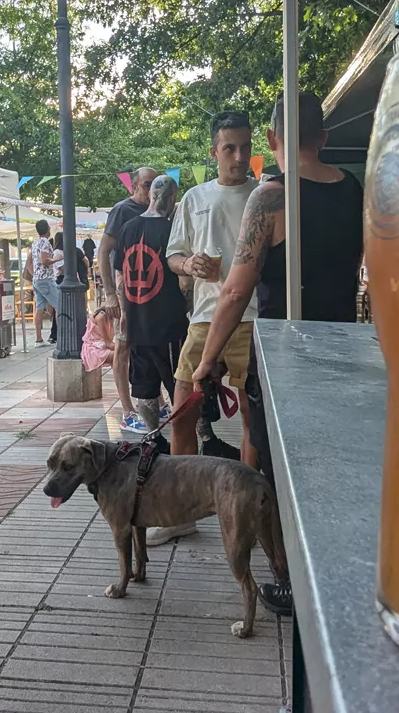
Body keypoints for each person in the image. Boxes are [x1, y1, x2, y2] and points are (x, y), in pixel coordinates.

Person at [193, 91, 363, 616]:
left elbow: (235, 291)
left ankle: (291, 581)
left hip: (285, 356)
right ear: (326, 138)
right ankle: (336, 566)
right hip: (342, 347)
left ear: (271, 141)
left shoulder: (269, 198)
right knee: (332, 467)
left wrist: (206, 361)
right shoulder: (353, 188)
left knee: (280, 473)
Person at [157, 111, 261, 546]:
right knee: (182, 413)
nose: (239, 157)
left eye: (245, 147)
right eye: (229, 148)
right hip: (203, 317)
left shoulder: (267, 195)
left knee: (255, 423)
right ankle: (181, 512)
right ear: (213, 152)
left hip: (255, 317)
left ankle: (252, 513)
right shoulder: (194, 197)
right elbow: (173, 256)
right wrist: (189, 264)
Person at [115, 175, 188, 432]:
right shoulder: (172, 231)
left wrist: (125, 310)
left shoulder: (127, 229)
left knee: (145, 387)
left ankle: (153, 439)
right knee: (180, 385)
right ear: (172, 198)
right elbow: (184, 282)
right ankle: (187, 441)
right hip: (170, 326)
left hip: (137, 322)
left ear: (150, 196)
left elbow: (121, 276)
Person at [99, 167, 159, 431]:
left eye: (155, 184)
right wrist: (110, 293)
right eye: (147, 185)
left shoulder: (160, 211)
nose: (152, 190)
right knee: (122, 347)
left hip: (151, 291)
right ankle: (126, 411)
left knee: (150, 344)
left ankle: (153, 399)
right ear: (133, 186)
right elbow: (103, 252)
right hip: (126, 292)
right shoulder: (122, 211)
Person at [30, 219, 58, 346]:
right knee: (60, 305)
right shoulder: (46, 242)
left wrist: (34, 273)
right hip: (46, 279)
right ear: (47, 229)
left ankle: (38, 339)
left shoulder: (35, 243)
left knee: (39, 308)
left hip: (37, 279)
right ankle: (62, 336)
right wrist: (56, 259)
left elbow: (30, 262)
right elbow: (44, 260)